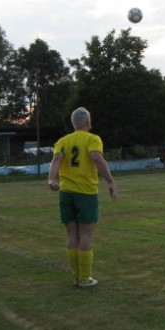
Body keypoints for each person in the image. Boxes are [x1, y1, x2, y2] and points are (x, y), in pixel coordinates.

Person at [48, 107, 119, 288]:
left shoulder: (63, 141)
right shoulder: (93, 139)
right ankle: (85, 278)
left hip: (66, 192)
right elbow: (96, 157)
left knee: (72, 235)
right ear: (88, 123)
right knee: (86, 235)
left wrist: (52, 179)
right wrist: (110, 182)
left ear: (74, 123)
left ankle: (76, 276)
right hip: (85, 193)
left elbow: (56, 160)